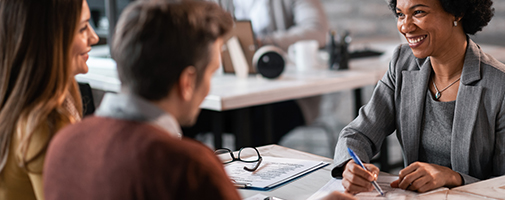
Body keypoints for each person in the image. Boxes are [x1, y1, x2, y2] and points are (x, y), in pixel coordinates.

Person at [42, 1, 241, 199]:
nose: (209, 87)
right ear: (187, 82)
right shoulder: (188, 168)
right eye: (210, 73)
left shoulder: (63, 145)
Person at [332, 0, 505, 194]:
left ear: (457, 12)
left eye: (419, 12)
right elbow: (358, 133)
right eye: (400, 14)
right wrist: (351, 166)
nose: (405, 26)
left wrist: (453, 178)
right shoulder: (402, 64)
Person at [187, 0, 329, 146]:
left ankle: (248, 167)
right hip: (233, 89)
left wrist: (265, 42)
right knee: (187, 118)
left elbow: (317, 31)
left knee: (256, 129)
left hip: (287, 94)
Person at [0, 0, 99, 199]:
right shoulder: (46, 123)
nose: (94, 37)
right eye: (82, 28)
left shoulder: (22, 107)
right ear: (49, 39)